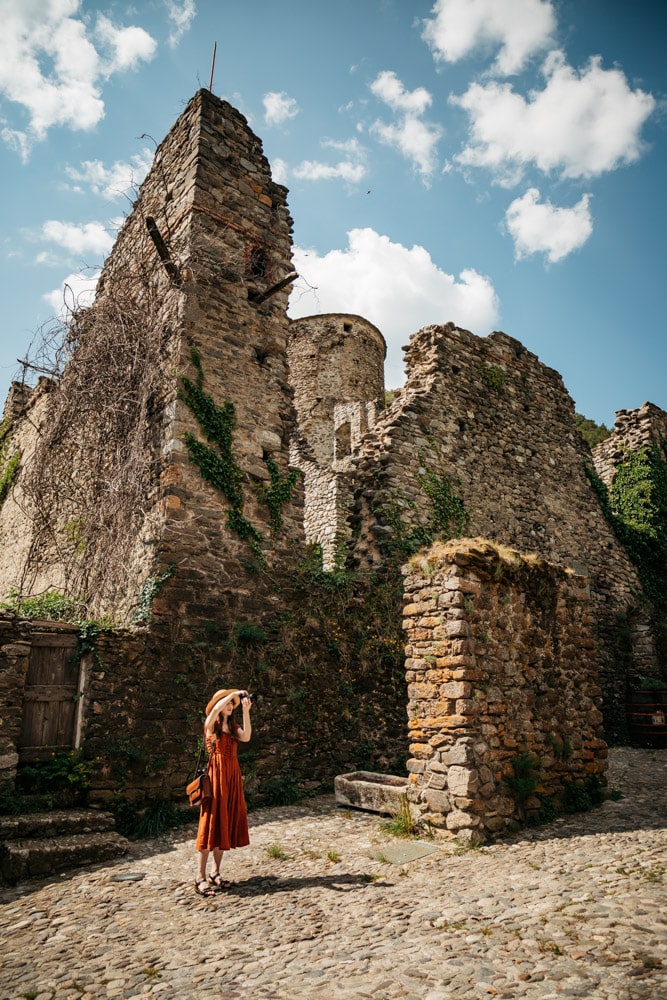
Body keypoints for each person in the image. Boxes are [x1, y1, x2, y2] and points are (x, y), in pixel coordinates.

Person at [194, 688, 252, 897]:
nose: (230, 706)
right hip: (216, 777)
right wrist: (233, 693)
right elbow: (216, 708)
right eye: (228, 703)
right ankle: (199, 877)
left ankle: (215, 872)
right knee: (210, 823)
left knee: (224, 822)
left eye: (232, 704)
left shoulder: (232, 726)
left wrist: (245, 710)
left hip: (231, 776)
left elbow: (246, 737)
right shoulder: (211, 725)